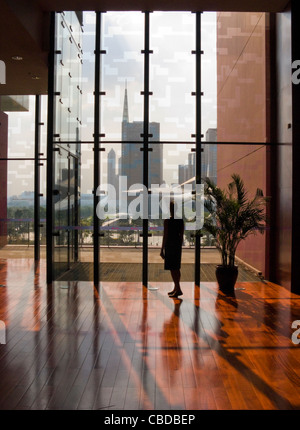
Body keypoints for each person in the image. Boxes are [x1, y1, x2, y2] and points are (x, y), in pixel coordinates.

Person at [160, 200, 184, 297]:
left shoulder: (167, 221)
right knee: (176, 268)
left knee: (172, 268)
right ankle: (176, 288)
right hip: (177, 246)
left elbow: (165, 236)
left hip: (170, 246)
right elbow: (181, 235)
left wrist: (162, 249)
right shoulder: (180, 221)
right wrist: (179, 245)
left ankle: (178, 288)